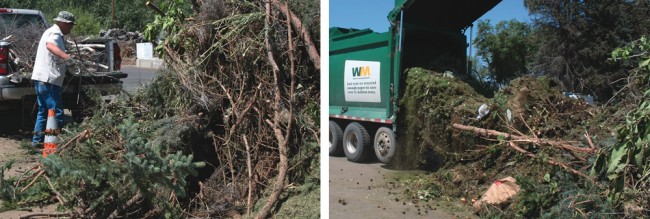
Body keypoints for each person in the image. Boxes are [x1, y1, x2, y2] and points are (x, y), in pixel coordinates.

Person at [31, 11, 76, 147]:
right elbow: (50, 46)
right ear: (63, 23)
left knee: (43, 111)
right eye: (70, 25)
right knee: (56, 113)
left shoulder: (50, 31)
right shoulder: (55, 33)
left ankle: (37, 142)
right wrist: (67, 58)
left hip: (41, 78)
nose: (71, 28)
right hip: (48, 80)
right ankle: (53, 143)